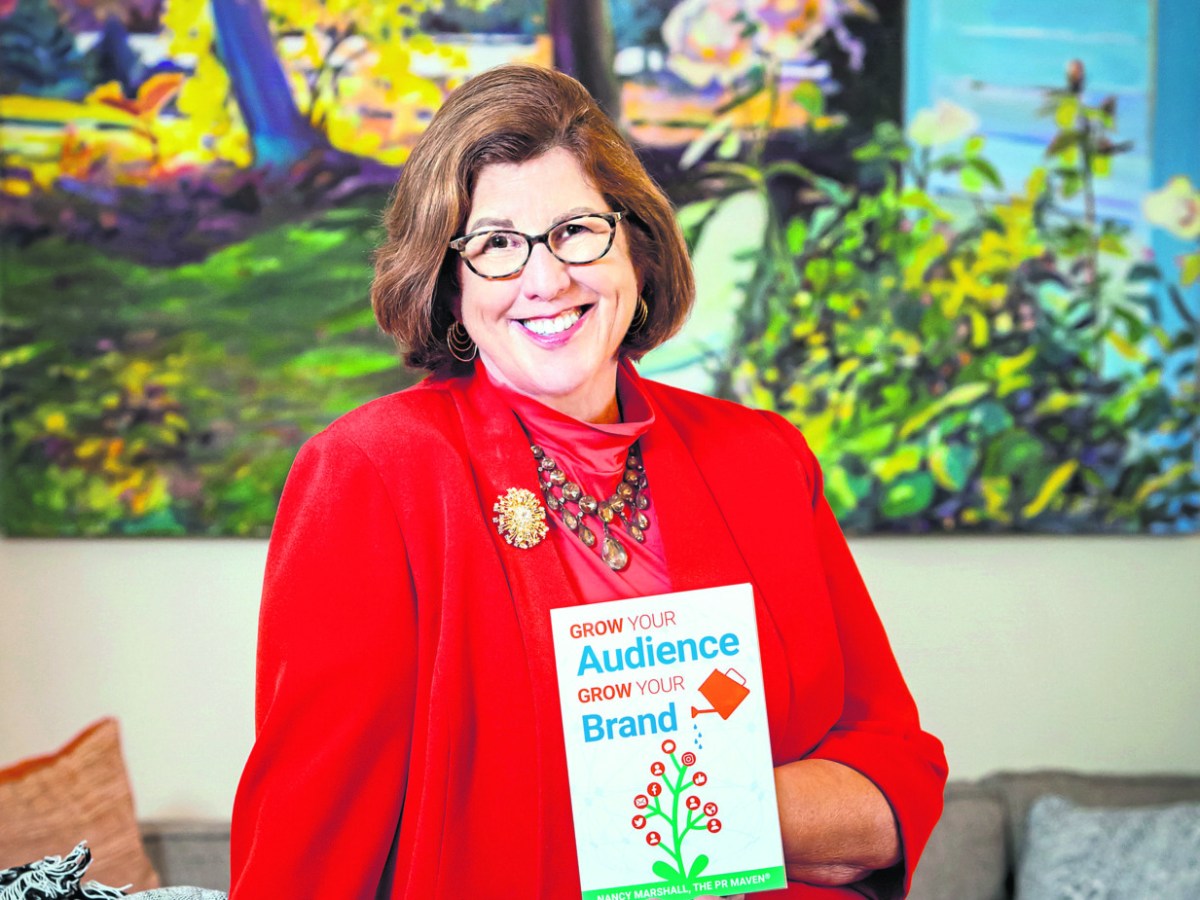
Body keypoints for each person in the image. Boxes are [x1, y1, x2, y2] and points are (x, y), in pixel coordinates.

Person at [230, 64, 947, 899]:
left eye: (576, 230)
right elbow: (309, 838)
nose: (546, 280)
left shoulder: (762, 459)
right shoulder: (374, 472)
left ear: (636, 246)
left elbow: (895, 784)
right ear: (451, 283)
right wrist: (748, 811)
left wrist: (687, 813)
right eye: (496, 244)